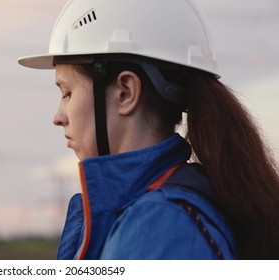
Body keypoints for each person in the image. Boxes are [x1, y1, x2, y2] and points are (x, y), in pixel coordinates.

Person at [18, 0, 279, 259]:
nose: (58, 117)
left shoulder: (162, 225)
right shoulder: (153, 212)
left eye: (67, 92)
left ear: (125, 92)